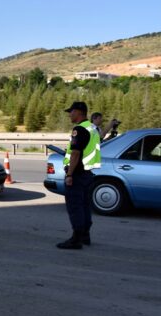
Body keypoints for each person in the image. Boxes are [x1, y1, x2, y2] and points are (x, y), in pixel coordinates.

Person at [57, 101, 101, 250]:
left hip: (77, 174)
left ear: (79, 112)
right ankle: (85, 235)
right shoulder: (92, 128)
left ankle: (76, 239)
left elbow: (75, 153)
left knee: (75, 207)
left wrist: (69, 174)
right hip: (88, 173)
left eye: (71, 111)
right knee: (85, 206)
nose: (70, 114)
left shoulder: (79, 129)